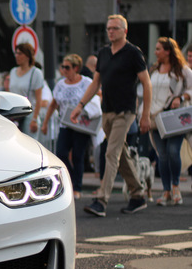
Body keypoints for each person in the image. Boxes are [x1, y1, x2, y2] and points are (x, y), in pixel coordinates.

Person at [71, 14, 152, 217]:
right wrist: (80, 105)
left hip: (125, 112)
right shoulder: (104, 53)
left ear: (125, 31)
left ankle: (102, 199)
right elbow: (95, 83)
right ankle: (138, 194)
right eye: (108, 28)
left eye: (114, 28)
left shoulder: (133, 53)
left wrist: (145, 115)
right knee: (120, 153)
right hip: (107, 110)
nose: (110, 31)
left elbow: (146, 83)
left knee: (111, 152)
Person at [146, 37, 192, 205]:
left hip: (173, 117)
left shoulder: (182, 70)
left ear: (168, 51)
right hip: (155, 117)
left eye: (158, 49)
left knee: (173, 152)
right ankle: (165, 191)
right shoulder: (154, 69)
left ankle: (175, 187)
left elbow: (191, 88)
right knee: (162, 156)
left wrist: (181, 96)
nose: (155, 52)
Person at [42, 54, 94, 199]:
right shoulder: (60, 84)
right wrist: (45, 123)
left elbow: (98, 95)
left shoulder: (86, 82)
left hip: (81, 124)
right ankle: (70, 180)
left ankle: (77, 187)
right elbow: (53, 104)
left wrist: (87, 110)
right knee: (61, 153)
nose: (64, 70)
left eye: (67, 67)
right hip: (65, 124)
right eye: (62, 67)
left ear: (76, 68)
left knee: (78, 155)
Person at [9, 43, 44, 138]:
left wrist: (35, 119)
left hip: (29, 116)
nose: (17, 56)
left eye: (20, 54)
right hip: (15, 115)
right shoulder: (13, 71)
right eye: (16, 53)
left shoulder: (36, 73)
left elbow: (38, 99)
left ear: (28, 56)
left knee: (30, 148)